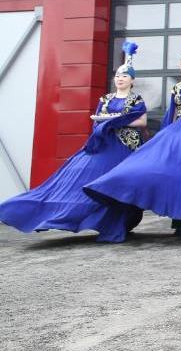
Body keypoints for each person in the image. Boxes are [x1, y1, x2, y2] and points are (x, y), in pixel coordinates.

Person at [0, 42, 147, 242]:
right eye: (118, 76)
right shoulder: (105, 99)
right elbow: (96, 120)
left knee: (118, 185)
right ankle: (36, 211)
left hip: (125, 147)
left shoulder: (136, 99)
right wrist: (105, 126)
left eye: (125, 76)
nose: (120, 79)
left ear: (132, 80)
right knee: (74, 177)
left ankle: (116, 224)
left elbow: (141, 121)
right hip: (104, 145)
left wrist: (118, 120)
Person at [84, 29, 181, 237]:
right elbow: (171, 113)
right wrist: (163, 136)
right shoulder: (177, 88)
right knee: (169, 170)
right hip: (177, 130)